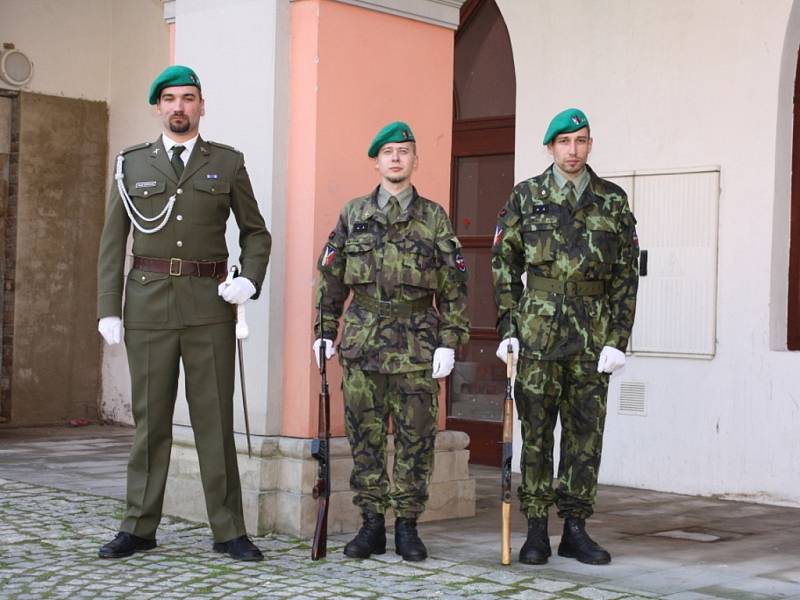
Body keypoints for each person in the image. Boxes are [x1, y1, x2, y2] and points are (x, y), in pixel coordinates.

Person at [96, 65, 271, 561]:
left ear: (201, 105)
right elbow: (114, 241)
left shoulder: (228, 163)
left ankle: (229, 530)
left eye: (188, 98)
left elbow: (256, 232)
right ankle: (138, 526)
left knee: (213, 420)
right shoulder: (131, 164)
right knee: (150, 421)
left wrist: (249, 280)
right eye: (170, 99)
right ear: (158, 107)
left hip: (208, 306)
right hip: (148, 304)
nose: (179, 107)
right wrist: (109, 308)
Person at [313, 121, 469, 561]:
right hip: (362, 343)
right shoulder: (354, 214)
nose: (396, 158)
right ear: (376, 161)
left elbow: (455, 285)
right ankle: (370, 525)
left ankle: (407, 525)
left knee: (415, 440)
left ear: (415, 160)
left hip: (416, 344)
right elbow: (330, 279)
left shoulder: (434, 217)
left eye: (404, 151)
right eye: (389, 152)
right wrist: (324, 332)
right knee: (365, 439)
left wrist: (449, 341)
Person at [491, 108, 639, 565]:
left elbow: (625, 276)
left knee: (584, 435)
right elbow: (502, 265)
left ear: (590, 145)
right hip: (537, 334)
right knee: (536, 432)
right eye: (564, 142)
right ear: (550, 148)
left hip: (593, 337)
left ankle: (575, 528)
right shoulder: (526, 197)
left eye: (580, 141)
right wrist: (509, 327)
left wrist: (618, 337)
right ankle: (536, 529)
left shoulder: (611, 201)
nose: (572, 150)